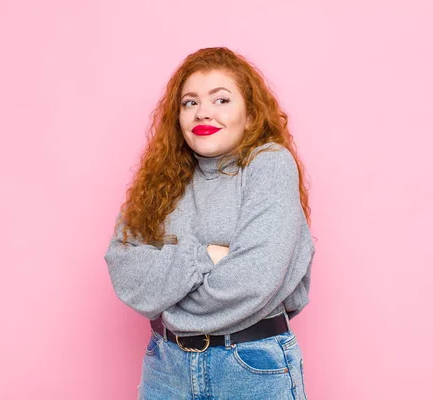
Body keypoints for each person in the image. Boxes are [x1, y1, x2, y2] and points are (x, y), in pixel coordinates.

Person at [103, 47, 315, 400]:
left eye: (221, 100)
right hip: (165, 368)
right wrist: (205, 256)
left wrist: (166, 298)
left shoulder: (270, 165)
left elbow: (253, 280)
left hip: (250, 368)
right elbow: (124, 270)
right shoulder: (160, 179)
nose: (203, 112)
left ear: (250, 115)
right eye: (190, 102)